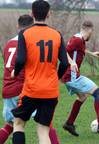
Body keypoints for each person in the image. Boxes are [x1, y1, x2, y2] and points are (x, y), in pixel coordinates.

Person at [11, 1, 68, 144]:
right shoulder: (57, 34)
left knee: (18, 124)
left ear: (32, 13)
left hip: (31, 89)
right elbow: (65, 63)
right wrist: (57, 78)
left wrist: (15, 72)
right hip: (50, 90)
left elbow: (20, 60)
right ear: (49, 14)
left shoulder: (25, 33)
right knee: (43, 130)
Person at [62, 20, 99, 136]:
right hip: (72, 76)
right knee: (98, 93)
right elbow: (62, 51)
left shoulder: (78, 39)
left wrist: (91, 53)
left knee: (82, 97)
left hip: (69, 76)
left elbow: (77, 50)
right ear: (90, 30)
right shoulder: (77, 40)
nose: (92, 34)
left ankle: (69, 123)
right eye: (92, 32)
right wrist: (71, 62)